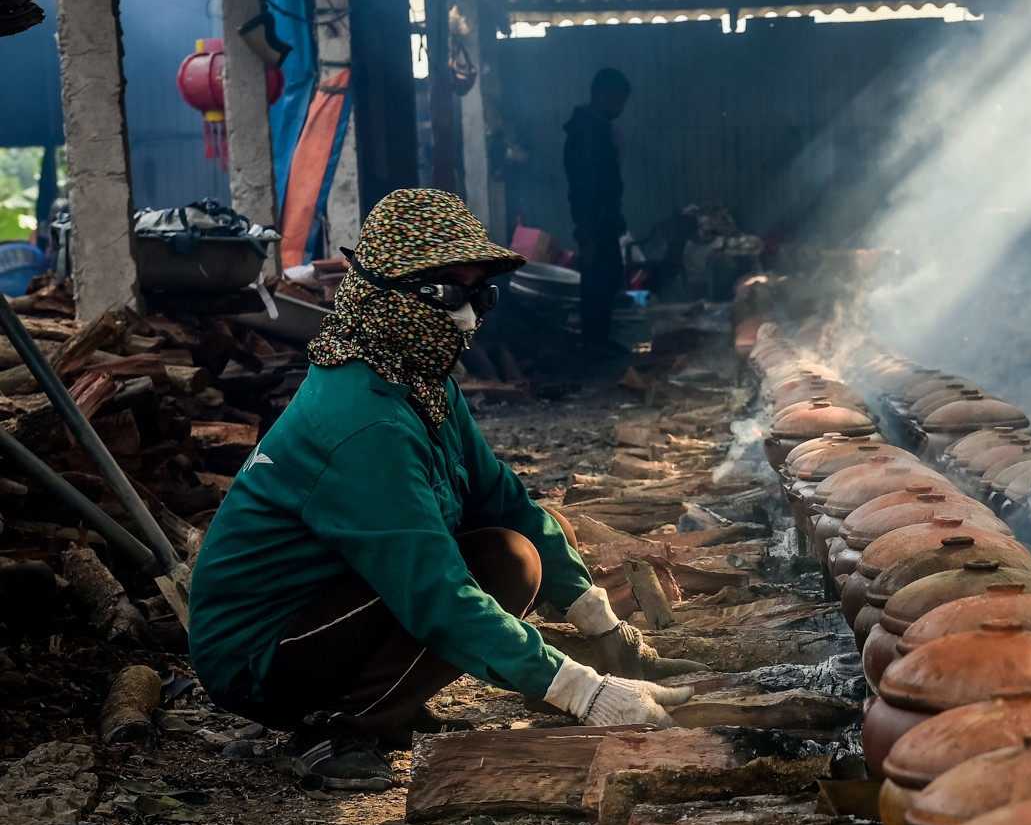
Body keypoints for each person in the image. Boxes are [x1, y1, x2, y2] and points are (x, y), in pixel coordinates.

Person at [188, 189, 696, 791]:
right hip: (262, 652)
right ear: (383, 294)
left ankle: (385, 699)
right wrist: (583, 694)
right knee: (457, 585)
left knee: (509, 556)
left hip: (334, 605)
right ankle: (334, 727)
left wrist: (607, 633)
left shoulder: (418, 384)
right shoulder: (363, 421)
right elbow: (434, 591)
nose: (467, 317)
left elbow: (504, 500)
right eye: (445, 294)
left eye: (479, 295)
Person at [563, 67, 632, 357]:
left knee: (609, 276)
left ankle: (600, 338)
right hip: (595, 219)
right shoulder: (587, 133)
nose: (621, 107)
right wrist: (587, 227)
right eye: (618, 99)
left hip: (604, 218)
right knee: (597, 280)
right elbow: (585, 183)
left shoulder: (597, 129)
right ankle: (593, 345)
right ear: (604, 96)